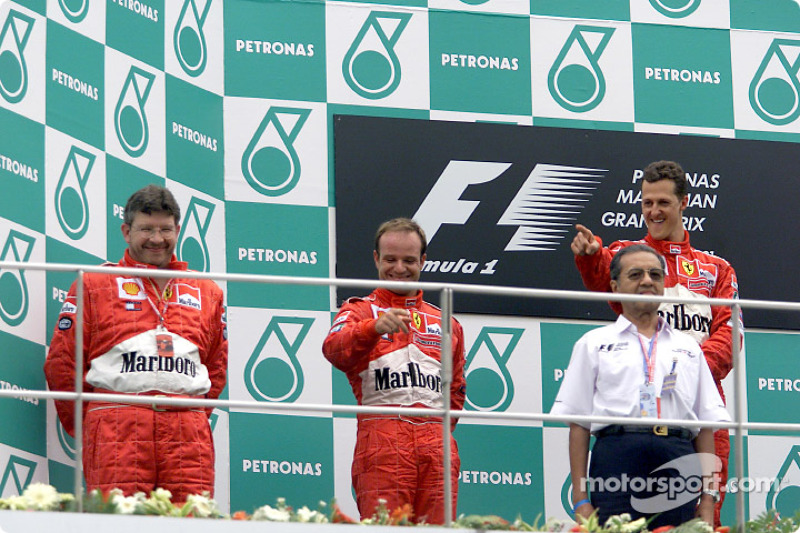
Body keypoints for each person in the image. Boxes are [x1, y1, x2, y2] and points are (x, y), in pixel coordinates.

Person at [571, 160, 741, 525]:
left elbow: (730, 336)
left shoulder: (717, 269)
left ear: (684, 203)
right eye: (647, 202)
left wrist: (685, 369)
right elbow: (603, 269)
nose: (653, 211)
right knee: (621, 522)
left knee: (702, 521)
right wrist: (588, 256)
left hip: (697, 402)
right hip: (639, 406)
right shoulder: (629, 257)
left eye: (662, 202)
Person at [44, 185, 228, 503]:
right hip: (117, 425)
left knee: (191, 521)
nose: (157, 239)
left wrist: (187, 413)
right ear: (126, 231)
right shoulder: (93, 282)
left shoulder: (206, 289)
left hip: (187, 430)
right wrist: (94, 422)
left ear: (178, 230)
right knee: (119, 519)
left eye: (165, 229)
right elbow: (63, 362)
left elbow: (216, 367)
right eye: (146, 229)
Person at [552, 244, 730, 528]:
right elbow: (579, 425)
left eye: (655, 275)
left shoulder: (690, 348)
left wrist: (708, 498)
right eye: (635, 274)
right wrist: (580, 498)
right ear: (615, 285)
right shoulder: (593, 343)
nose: (647, 280)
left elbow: (707, 425)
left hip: (677, 456)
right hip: (616, 458)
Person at [322, 217, 466, 524]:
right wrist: (371, 328)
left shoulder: (447, 322)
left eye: (409, 260)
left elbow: (455, 392)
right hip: (383, 440)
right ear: (376, 258)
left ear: (423, 261)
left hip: (436, 445)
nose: (399, 268)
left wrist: (434, 434)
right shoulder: (358, 310)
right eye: (390, 259)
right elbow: (334, 350)